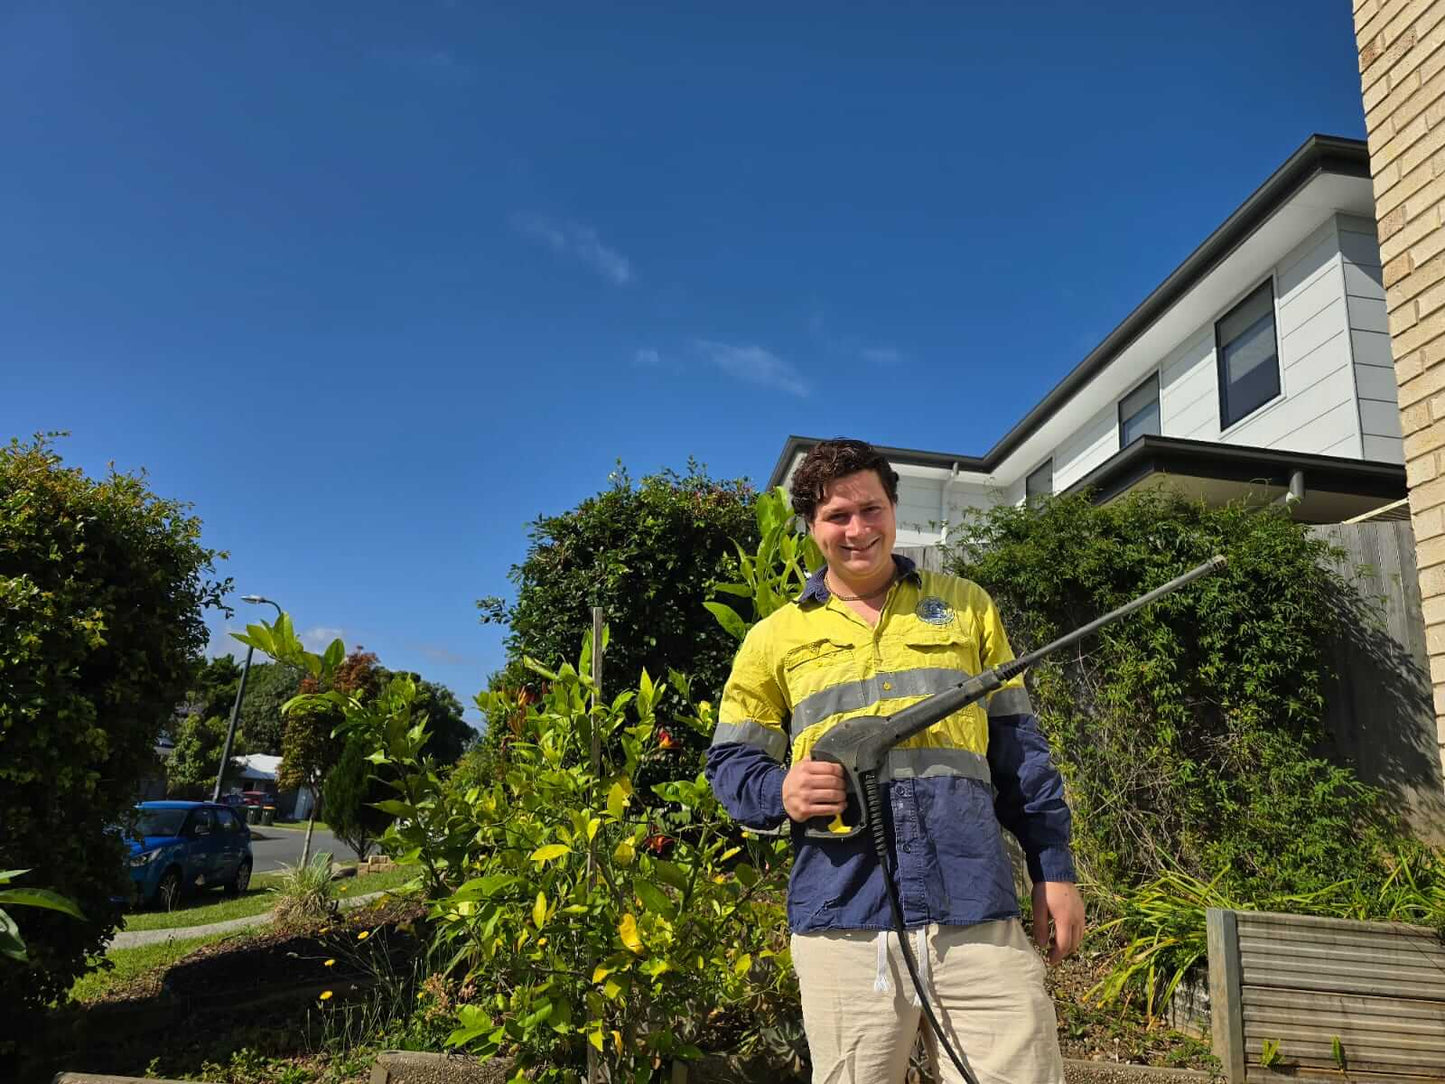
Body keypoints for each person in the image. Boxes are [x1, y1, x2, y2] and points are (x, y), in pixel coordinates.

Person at [705, 438, 1083, 1084]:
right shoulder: (773, 638)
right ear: (811, 528)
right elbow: (731, 762)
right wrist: (781, 791)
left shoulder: (966, 607)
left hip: (973, 910)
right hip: (843, 920)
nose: (858, 530)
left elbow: (1018, 751)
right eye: (837, 517)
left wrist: (1054, 868)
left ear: (893, 509)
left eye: (871, 510)